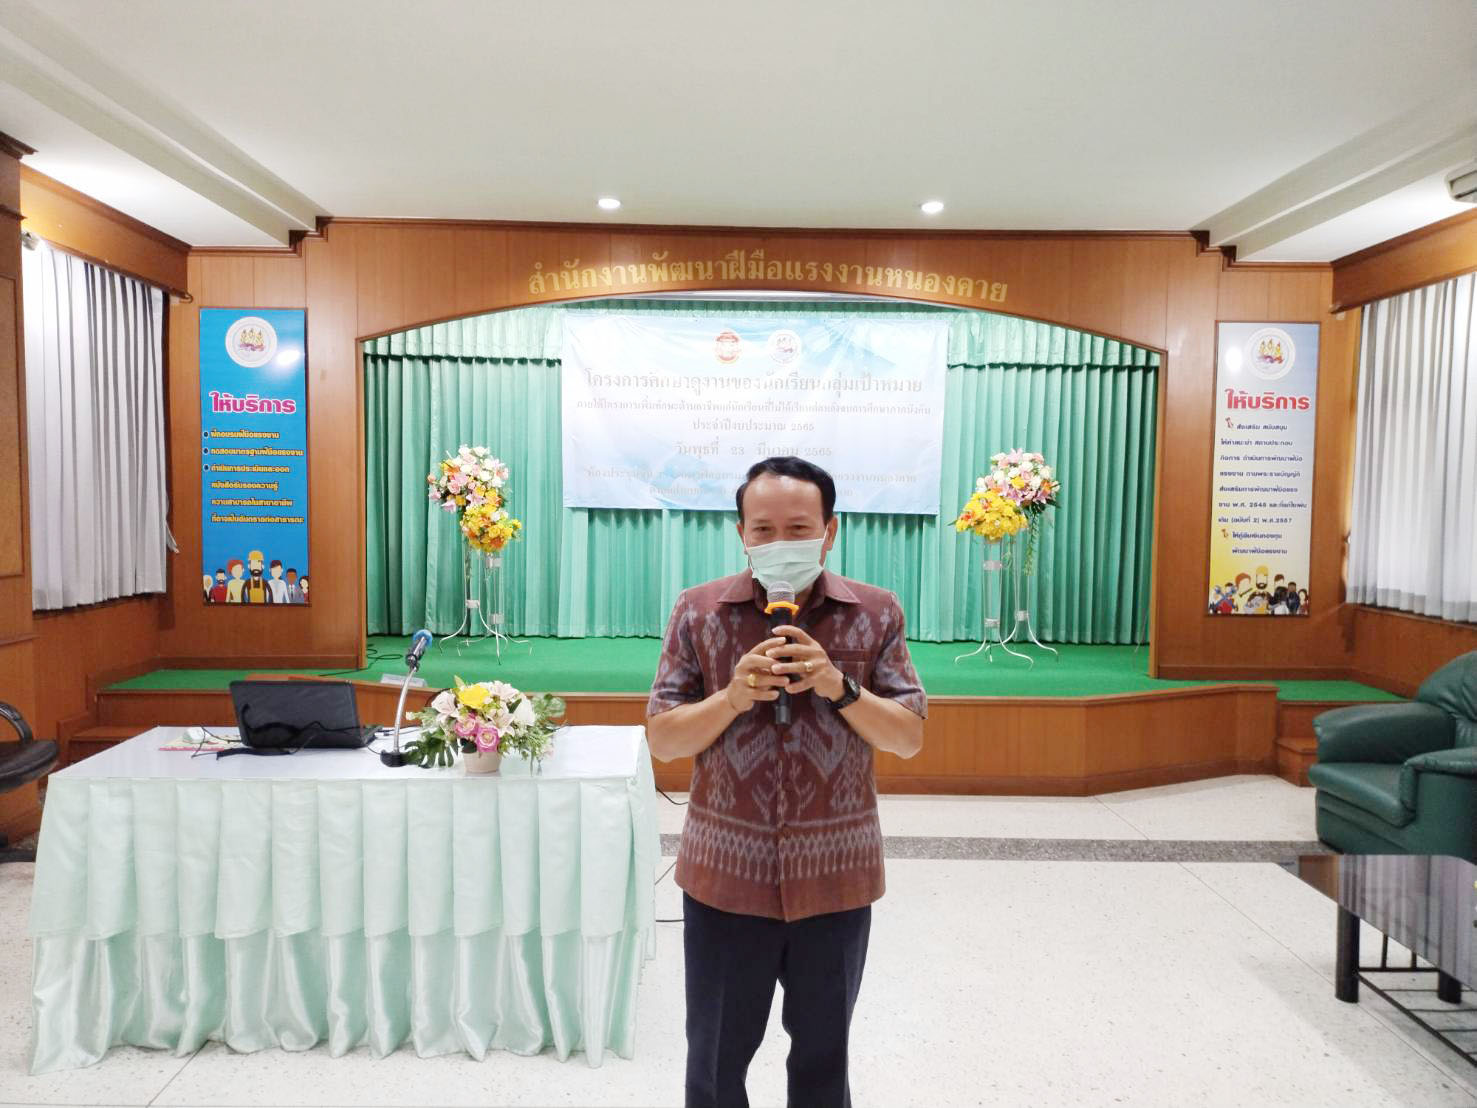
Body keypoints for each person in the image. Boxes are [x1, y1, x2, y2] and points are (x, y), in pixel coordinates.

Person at [646, 456, 926, 1108]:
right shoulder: (698, 611)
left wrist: (836, 684)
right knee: (715, 1063)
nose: (780, 543)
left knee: (824, 1063)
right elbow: (663, 738)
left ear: (830, 530)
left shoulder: (876, 612)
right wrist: (731, 698)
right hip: (724, 879)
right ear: (740, 533)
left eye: (798, 528)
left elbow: (908, 736)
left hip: (835, 879)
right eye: (763, 529)